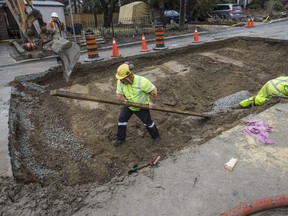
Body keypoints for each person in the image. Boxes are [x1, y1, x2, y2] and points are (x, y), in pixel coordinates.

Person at [113, 62, 160, 146]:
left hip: (141, 106)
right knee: (122, 120)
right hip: (129, 105)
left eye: (122, 79)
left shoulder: (142, 81)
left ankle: (156, 137)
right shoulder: (120, 82)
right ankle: (120, 139)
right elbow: (119, 94)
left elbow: (153, 91)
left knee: (148, 122)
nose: (121, 81)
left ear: (128, 77)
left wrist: (152, 102)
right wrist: (124, 101)